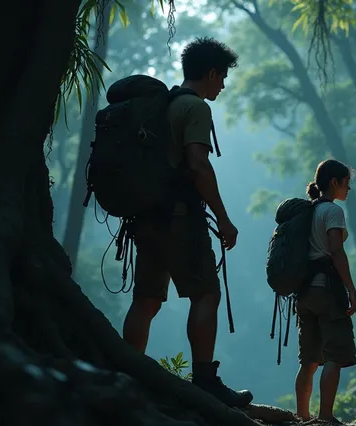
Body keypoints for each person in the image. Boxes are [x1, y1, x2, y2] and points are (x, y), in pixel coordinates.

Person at [121, 37, 252, 408]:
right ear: (211, 73)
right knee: (206, 293)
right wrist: (223, 218)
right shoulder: (194, 108)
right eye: (222, 77)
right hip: (180, 219)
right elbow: (197, 164)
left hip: (145, 217)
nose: (223, 85)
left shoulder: (158, 107)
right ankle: (204, 383)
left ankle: (129, 376)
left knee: (146, 299)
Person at [294, 160, 356, 423]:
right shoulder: (332, 211)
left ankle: (302, 416)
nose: (349, 188)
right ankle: (325, 417)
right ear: (335, 182)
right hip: (327, 292)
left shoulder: (308, 211)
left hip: (304, 293)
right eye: (347, 182)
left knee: (309, 359)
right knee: (335, 355)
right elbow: (335, 251)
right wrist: (351, 288)